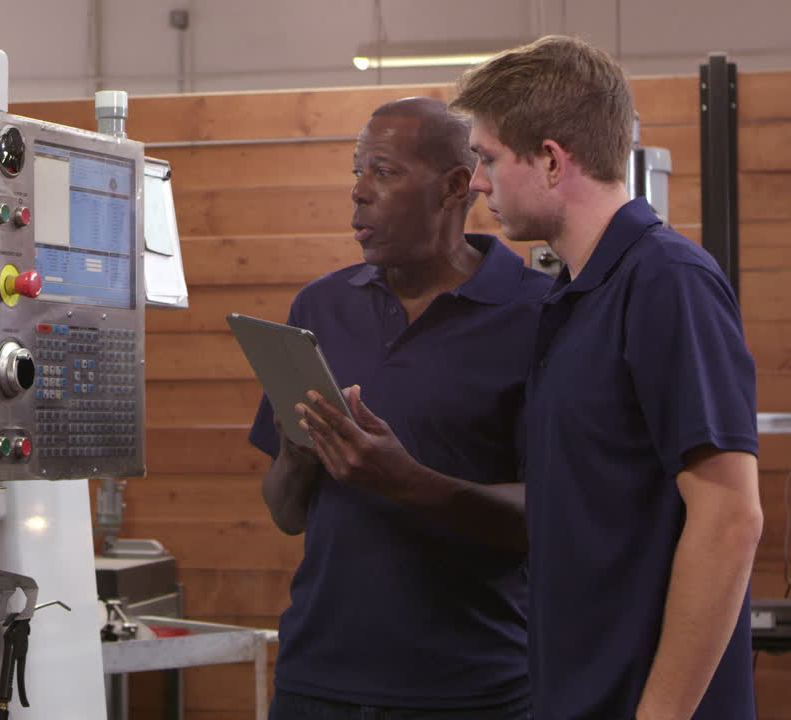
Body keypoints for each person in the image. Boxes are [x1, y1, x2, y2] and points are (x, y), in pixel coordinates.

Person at [445, 35, 761, 719]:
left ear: (553, 161)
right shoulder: (572, 297)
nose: (476, 181)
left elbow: (730, 517)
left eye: (490, 158)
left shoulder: (667, 282)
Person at [250, 97, 551, 719]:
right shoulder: (318, 309)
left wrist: (407, 482)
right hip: (314, 686)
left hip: (474, 694)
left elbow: (552, 519)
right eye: (356, 171)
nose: (358, 193)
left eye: (383, 172)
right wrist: (298, 457)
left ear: (454, 187)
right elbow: (286, 514)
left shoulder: (542, 316)